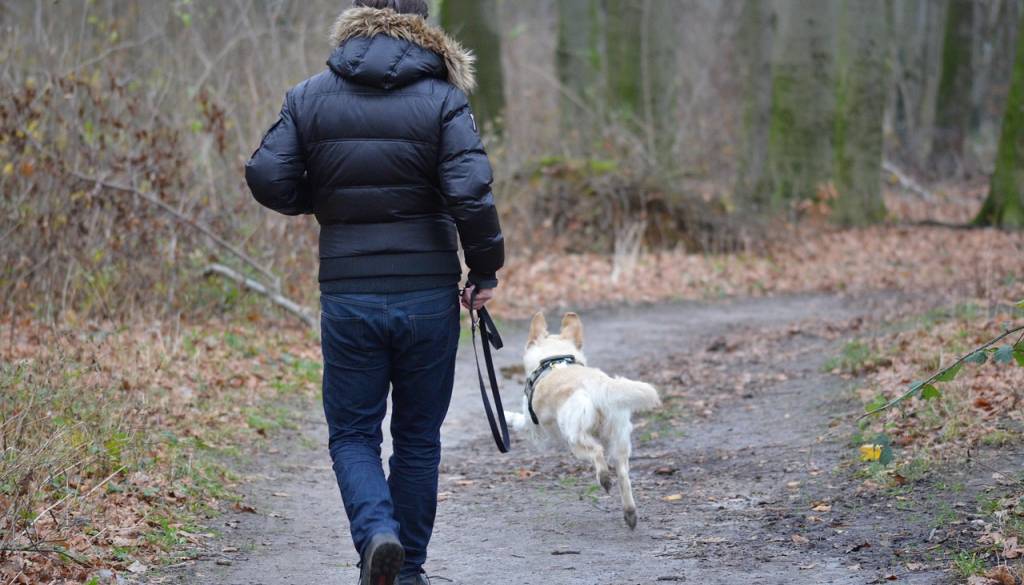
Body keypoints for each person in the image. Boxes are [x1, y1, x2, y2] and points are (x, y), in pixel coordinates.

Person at [244, 0, 504, 583]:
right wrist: (484, 270)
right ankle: (406, 570)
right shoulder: (443, 98)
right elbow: (470, 192)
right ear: (422, 21)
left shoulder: (309, 95)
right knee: (417, 437)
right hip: (427, 292)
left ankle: (376, 535)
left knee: (353, 433)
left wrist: (325, 200)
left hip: (349, 291)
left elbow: (266, 174)